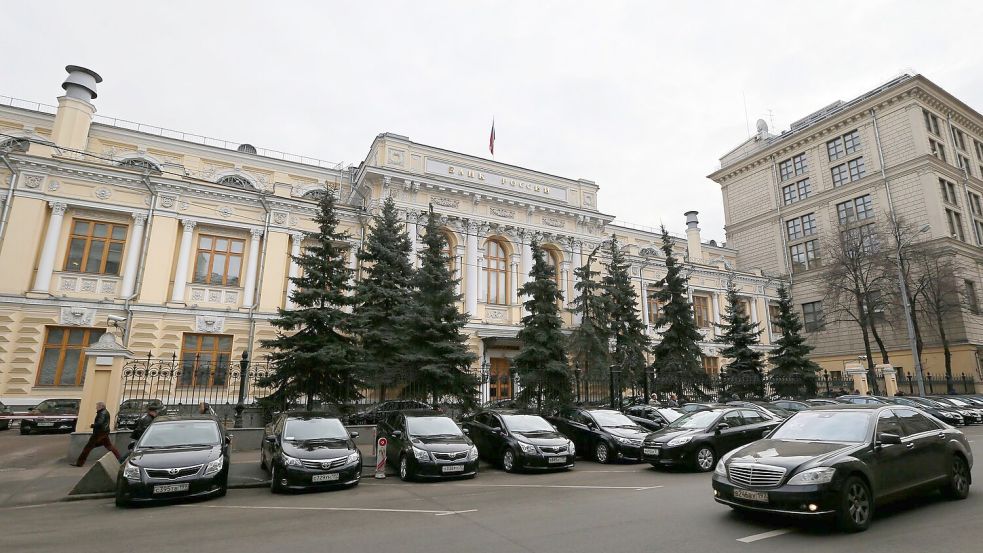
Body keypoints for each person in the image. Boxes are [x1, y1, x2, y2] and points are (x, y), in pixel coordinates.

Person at [72, 401, 122, 466]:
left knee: (87, 448)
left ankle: (79, 463)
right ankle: (120, 458)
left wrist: (92, 425)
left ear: (101, 407)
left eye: (97, 406)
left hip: (99, 433)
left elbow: (100, 423)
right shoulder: (104, 412)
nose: (96, 407)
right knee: (109, 446)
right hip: (104, 432)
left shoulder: (102, 413)